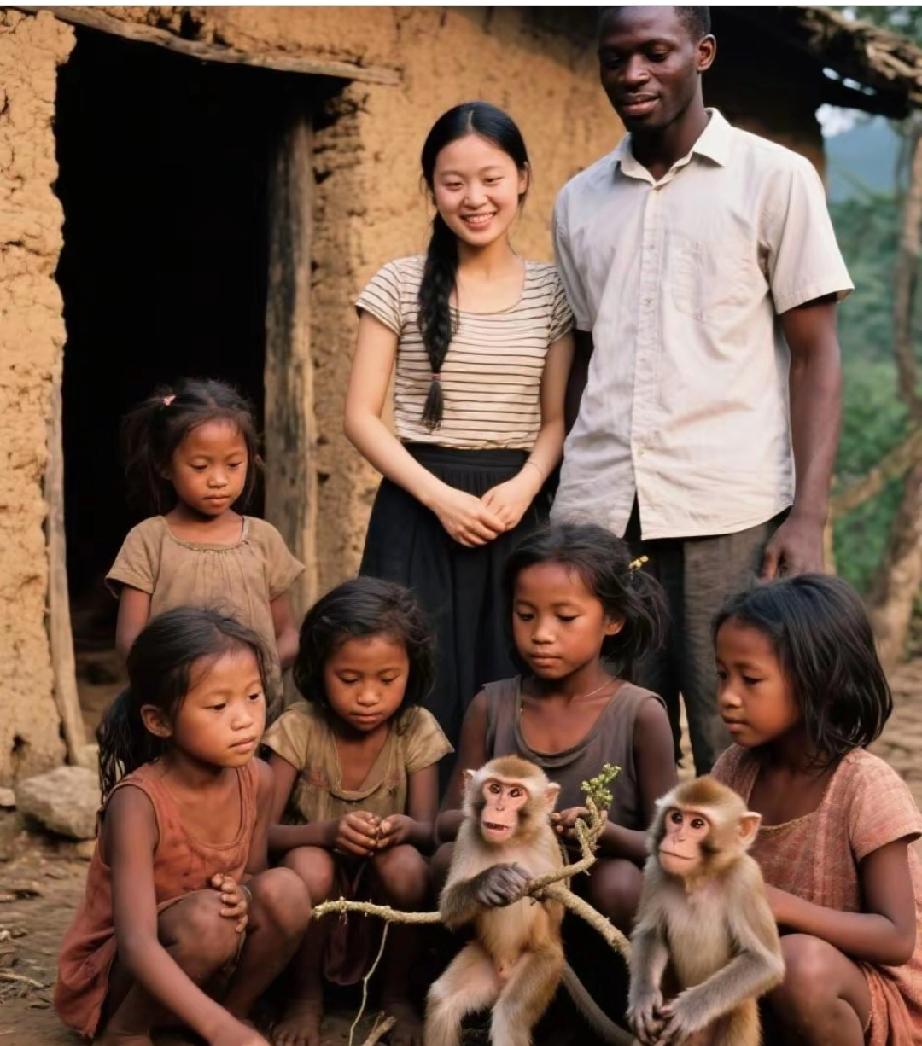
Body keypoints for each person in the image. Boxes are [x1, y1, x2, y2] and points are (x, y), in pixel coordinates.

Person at [550, 6, 853, 774]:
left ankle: (759, 896)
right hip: (603, 518)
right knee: (610, 749)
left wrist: (809, 515)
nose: (633, 74)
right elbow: (588, 353)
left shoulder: (775, 179)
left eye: (656, 53)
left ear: (703, 53)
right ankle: (623, 898)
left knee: (743, 735)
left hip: (731, 507)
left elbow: (815, 356)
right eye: (616, 58)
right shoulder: (578, 202)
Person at [345, 101, 575, 759]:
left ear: (523, 178)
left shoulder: (552, 292)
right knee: (409, 682)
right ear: (432, 188)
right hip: (417, 510)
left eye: (491, 178)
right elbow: (360, 415)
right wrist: (439, 498)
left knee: (514, 680)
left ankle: (509, 845)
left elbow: (557, 418)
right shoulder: (396, 284)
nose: (474, 198)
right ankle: (407, 848)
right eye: (454, 182)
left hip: (514, 512)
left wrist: (528, 485)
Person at [55, 607, 312, 1046]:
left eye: (253, 696)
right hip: (125, 973)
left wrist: (244, 893)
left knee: (286, 888)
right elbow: (136, 942)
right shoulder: (138, 803)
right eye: (218, 705)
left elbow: (252, 871)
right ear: (159, 721)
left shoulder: (258, 779)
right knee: (209, 922)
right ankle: (127, 1031)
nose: (245, 718)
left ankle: (233, 1012)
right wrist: (221, 1032)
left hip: (208, 957)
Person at [436, 522, 677, 934]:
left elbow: (668, 842)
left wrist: (606, 833)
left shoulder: (640, 714)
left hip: (597, 898)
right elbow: (444, 824)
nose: (541, 635)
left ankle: (614, 994)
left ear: (613, 619)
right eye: (525, 615)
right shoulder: (490, 707)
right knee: (446, 861)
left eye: (566, 617)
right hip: (509, 898)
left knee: (620, 881)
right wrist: (501, 825)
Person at [712, 576, 922, 1045]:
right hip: (761, 975)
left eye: (751, 679)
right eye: (722, 674)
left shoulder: (864, 785)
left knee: (801, 965)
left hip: (864, 992)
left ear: (818, 683)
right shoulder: (736, 769)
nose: (728, 695)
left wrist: (779, 905)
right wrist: (604, 834)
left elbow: (896, 939)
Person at [263, 577, 452, 1046]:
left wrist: (403, 828)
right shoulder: (298, 728)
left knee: (407, 866)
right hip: (308, 890)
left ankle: (395, 997)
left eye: (387, 680)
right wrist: (326, 833)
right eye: (349, 679)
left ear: (412, 670)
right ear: (318, 669)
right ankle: (304, 998)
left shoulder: (415, 728)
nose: (368, 696)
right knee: (311, 864)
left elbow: (427, 833)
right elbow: (260, 832)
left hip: (383, 895)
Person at [107, 378, 303, 715]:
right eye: (200, 466)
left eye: (233, 465)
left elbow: (286, 633)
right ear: (165, 465)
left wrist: (253, 677)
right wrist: (178, 687)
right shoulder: (149, 541)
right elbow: (130, 643)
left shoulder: (263, 539)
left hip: (251, 715)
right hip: (178, 712)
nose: (218, 480)